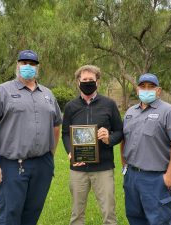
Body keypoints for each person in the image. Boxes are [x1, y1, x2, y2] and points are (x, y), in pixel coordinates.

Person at [0, 50, 62, 225]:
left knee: (32, 213)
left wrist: (50, 156)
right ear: (17, 65)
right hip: (12, 166)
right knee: (10, 214)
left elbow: (56, 125)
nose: (28, 67)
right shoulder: (1, 92)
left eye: (32, 64)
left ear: (37, 68)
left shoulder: (48, 94)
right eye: (24, 63)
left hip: (42, 165)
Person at [121, 73, 171, 225]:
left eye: (151, 87)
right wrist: (124, 165)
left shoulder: (169, 112)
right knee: (135, 218)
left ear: (158, 90)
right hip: (131, 177)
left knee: (159, 220)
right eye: (143, 86)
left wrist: (170, 175)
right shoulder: (130, 112)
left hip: (155, 179)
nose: (146, 90)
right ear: (137, 90)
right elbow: (124, 140)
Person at [62, 65, 123, 225]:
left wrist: (108, 138)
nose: (87, 83)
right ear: (78, 82)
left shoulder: (109, 104)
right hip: (78, 168)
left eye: (91, 80)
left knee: (109, 213)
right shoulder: (70, 107)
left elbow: (120, 131)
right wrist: (70, 152)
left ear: (98, 82)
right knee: (76, 214)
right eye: (84, 80)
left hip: (103, 168)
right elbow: (66, 133)